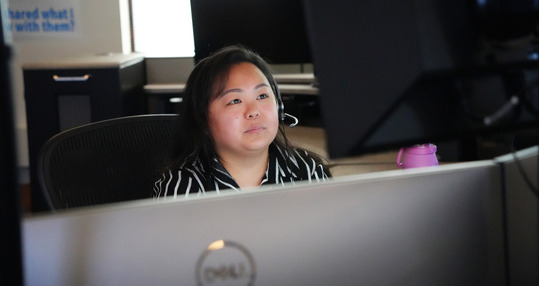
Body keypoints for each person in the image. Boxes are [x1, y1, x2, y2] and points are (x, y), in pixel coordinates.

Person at [153, 45, 330, 198]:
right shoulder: (183, 189)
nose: (253, 111)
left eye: (262, 96)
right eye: (235, 101)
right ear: (204, 120)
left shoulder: (307, 172)